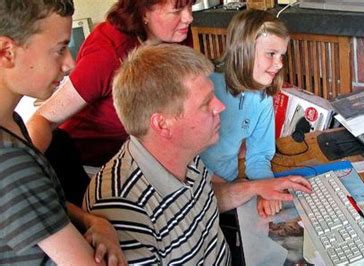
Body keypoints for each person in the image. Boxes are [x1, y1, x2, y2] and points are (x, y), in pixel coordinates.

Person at [84, 44, 312, 264]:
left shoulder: (185, 155)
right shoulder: (124, 209)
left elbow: (203, 202)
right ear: (162, 124)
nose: (220, 107)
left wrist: (255, 187)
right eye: (205, 104)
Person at [27, 0, 194, 206]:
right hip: (92, 167)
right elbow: (43, 118)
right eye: (177, 10)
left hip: (142, 156)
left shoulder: (177, 37)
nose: (189, 17)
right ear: (143, 12)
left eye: (190, 6)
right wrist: (24, 177)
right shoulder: (108, 53)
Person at [0, 0, 126, 265]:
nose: (69, 63)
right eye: (59, 50)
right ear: (6, 51)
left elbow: (39, 204)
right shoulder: (9, 160)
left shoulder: (12, 122)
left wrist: (92, 220)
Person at [200, 10, 290, 218]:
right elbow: (181, 154)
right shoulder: (205, 84)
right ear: (244, 50)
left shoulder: (263, 98)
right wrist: (225, 186)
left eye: (282, 56)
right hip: (194, 188)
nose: (279, 64)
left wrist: (266, 190)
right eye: (271, 54)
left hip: (230, 185)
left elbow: (259, 156)